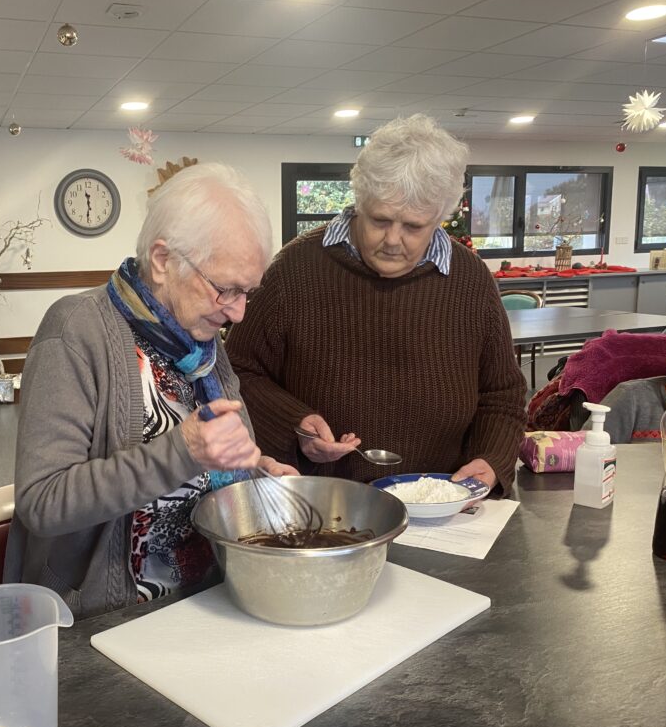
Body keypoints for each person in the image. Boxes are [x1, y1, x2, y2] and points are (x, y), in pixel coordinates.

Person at [4, 162, 295, 620]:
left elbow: (212, 466)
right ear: (162, 260)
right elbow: (43, 502)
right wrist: (182, 451)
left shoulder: (202, 342)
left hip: (212, 595)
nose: (238, 312)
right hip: (109, 615)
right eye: (226, 289)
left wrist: (256, 472)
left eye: (248, 292)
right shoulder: (76, 330)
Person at [224, 114, 527, 490]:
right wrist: (295, 423)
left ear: (440, 217)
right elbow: (237, 371)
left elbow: (502, 394)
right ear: (360, 201)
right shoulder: (295, 269)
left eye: (414, 226)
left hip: (443, 498)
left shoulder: (470, 279)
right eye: (380, 220)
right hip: (327, 500)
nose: (393, 240)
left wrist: (491, 459)